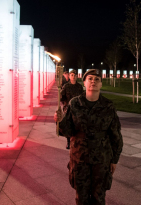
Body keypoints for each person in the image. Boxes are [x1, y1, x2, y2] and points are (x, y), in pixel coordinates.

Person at [54, 69, 123, 205]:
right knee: (81, 197)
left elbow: (116, 134)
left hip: (102, 158)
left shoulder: (108, 106)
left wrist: (114, 159)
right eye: (90, 78)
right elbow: (67, 131)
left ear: (101, 84)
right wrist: (59, 121)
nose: (93, 81)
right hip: (80, 158)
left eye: (97, 79)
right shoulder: (74, 103)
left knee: (99, 197)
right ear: (84, 83)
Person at [60, 69, 84, 149]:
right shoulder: (66, 86)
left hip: (77, 109)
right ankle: (68, 141)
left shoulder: (79, 87)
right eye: (72, 75)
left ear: (77, 76)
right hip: (68, 108)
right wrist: (60, 95)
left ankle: (76, 140)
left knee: (77, 126)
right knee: (68, 125)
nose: (73, 76)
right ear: (69, 76)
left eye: (75, 75)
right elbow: (62, 97)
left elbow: (83, 98)